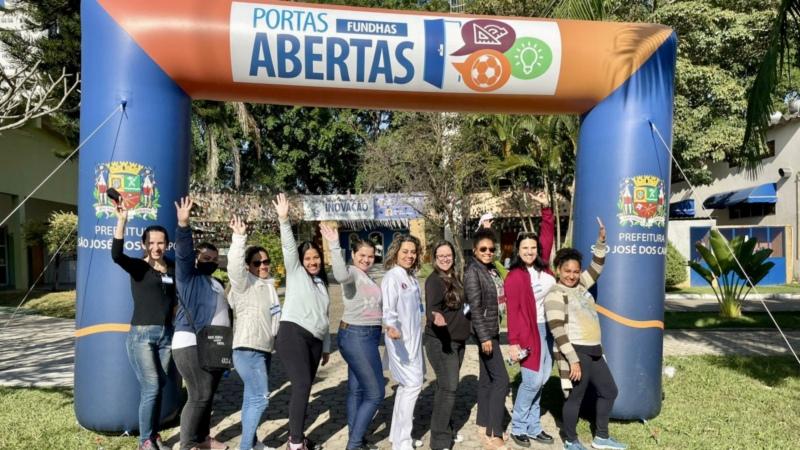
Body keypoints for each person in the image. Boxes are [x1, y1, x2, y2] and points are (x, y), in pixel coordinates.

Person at [544, 218, 626, 450]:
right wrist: (572, 360)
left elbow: (597, 267)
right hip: (575, 351)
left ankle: (601, 437)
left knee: (609, 391)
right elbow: (558, 330)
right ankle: (570, 440)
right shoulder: (555, 294)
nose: (572, 275)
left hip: (594, 351)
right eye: (567, 271)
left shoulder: (580, 286)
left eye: (576, 271)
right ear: (558, 270)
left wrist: (601, 241)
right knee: (575, 398)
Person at [111, 205, 175, 450]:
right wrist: (122, 221)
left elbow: (173, 298)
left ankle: (153, 434)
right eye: (151, 243)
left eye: (160, 243)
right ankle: (144, 441)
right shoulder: (139, 268)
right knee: (151, 386)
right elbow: (116, 255)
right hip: (142, 336)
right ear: (143, 245)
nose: (156, 247)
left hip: (166, 335)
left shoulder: (172, 268)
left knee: (158, 386)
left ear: (166, 245)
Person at [272, 193, 331, 450]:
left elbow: (325, 317)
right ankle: (295, 441)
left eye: (315, 257)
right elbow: (288, 247)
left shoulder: (322, 284)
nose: (312, 261)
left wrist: (327, 346)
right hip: (293, 334)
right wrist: (284, 220)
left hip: (315, 341)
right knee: (302, 384)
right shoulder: (296, 273)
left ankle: (297, 435)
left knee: (304, 389)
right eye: (307, 258)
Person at [172, 197, 230, 450]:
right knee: (199, 394)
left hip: (215, 344)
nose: (211, 262)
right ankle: (186, 445)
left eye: (214, 259)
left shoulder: (216, 282)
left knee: (208, 396)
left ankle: (204, 439)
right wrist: (183, 225)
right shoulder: (188, 277)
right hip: (190, 341)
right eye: (206, 258)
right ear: (197, 259)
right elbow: (183, 254)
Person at [320, 224, 384, 450]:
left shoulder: (368, 277)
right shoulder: (352, 273)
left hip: (365, 336)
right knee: (376, 393)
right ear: (354, 256)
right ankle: (354, 444)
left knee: (357, 389)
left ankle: (354, 436)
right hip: (357, 335)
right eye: (362, 255)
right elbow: (338, 274)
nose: (367, 259)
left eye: (371, 256)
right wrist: (334, 245)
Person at [505, 192, 556, 448]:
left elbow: (547, 235)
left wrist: (546, 209)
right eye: (524, 248)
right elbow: (513, 313)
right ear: (518, 250)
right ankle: (518, 426)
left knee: (544, 379)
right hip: (528, 331)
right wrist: (514, 343)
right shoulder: (514, 276)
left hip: (548, 329)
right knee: (531, 380)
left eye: (533, 248)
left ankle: (534, 427)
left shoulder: (543, 269)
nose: (529, 251)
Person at [227, 216, 281, 450]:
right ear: (248, 266)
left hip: (264, 349)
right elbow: (233, 267)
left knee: (251, 398)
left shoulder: (269, 287)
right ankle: (245, 447)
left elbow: (275, 319)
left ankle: (252, 442)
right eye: (257, 263)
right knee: (260, 399)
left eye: (266, 262)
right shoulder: (244, 284)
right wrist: (239, 238)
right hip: (248, 349)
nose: (263, 266)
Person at [464, 228, 509, 450]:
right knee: (502, 380)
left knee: (487, 379)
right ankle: (495, 433)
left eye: (492, 249)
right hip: (486, 334)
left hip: (492, 331)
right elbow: (474, 307)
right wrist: (484, 337)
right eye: (483, 249)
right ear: (475, 250)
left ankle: (483, 424)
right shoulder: (473, 271)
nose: (488, 252)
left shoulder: (489, 269)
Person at [423, 241, 470, 450]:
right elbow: (431, 308)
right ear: (434, 258)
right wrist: (436, 317)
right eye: (440, 255)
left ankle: (446, 427)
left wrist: (471, 318)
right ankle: (439, 441)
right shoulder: (433, 281)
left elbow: (464, 306)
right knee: (449, 388)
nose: (445, 258)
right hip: (441, 342)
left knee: (445, 388)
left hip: (459, 342)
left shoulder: (455, 278)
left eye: (448, 254)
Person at [382, 234, 424, 450]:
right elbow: (388, 309)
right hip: (399, 341)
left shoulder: (412, 277)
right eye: (405, 251)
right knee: (414, 385)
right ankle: (403, 442)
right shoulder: (392, 277)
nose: (409, 255)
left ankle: (396, 436)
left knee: (405, 388)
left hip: (415, 342)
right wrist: (391, 327)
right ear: (396, 252)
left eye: (413, 252)